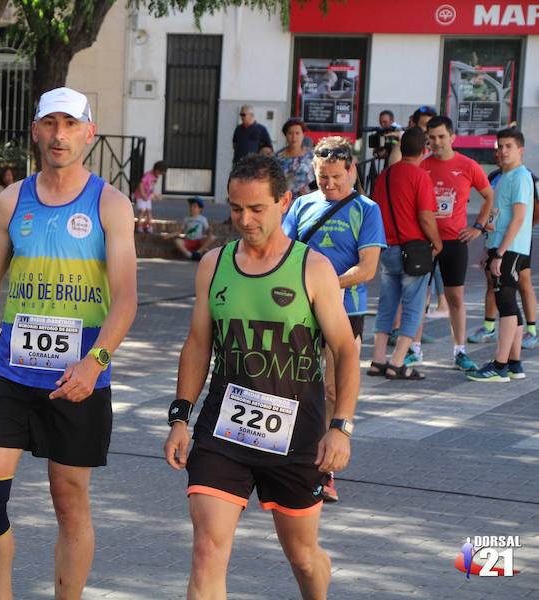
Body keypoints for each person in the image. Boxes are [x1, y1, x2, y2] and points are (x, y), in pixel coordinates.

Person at [0, 87, 137, 599]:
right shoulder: (12, 201)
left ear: (88, 133)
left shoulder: (111, 204)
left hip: (77, 380)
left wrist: (95, 363)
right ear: (35, 129)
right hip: (11, 374)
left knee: (69, 501)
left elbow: (125, 301)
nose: (60, 134)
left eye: (71, 124)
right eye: (50, 123)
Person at [164, 154, 359, 600]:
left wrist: (341, 427)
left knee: (304, 558)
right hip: (223, 431)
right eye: (235, 209)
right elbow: (197, 344)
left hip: (296, 436)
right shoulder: (214, 264)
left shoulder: (312, 268)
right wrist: (180, 418)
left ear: (284, 202)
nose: (244, 220)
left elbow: (345, 350)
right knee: (206, 552)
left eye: (256, 209)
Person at [282, 136, 385, 502]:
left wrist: (325, 285)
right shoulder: (301, 206)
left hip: (346, 310)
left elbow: (368, 268)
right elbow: (284, 253)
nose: (330, 185)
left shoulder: (367, 209)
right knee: (294, 385)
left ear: (352, 170)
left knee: (332, 390)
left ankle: (324, 471)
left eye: (337, 178)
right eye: (323, 178)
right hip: (300, 310)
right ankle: (291, 459)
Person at [406, 116, 494, 371]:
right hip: (425, 242)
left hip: (454, 241)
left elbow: (488, 195)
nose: (436, 142)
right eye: (431, 138)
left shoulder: (467, 165)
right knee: (419, 297)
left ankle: (459, 351)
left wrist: (477, 227)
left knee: (455, 298)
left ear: (452, 137)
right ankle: (414, 349)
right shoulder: (422, 167)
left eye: (441, 137)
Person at [368, 127, 442, 380]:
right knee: (413, 306)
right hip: (414, 250)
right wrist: (437, 242)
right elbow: (426, 216)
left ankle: (378, 359)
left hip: (387, 248)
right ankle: (397, 362)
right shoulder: (420, 176)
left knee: (387, 304)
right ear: (424, 150)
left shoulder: (385, 175)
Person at [468, 128, 534, 382]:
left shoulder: (520, 177)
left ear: (520, 150)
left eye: (508, 146)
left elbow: (518, 219)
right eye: (500, 147)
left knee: (505, 304)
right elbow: (501, 216)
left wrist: (501, 253)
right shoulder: (504, 177)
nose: (503, 151)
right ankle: (515, 363)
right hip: (500, 247)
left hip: (511, 249)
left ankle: (500, 365)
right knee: (509, 304)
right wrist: (491, 247)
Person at [162, 196, 216, 260]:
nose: (191, 208)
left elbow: (207, 231)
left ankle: (198, 252)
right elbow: (180, 231)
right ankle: (189, 254)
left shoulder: (203, 219)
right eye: (190, 206)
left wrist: (210, 231)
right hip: (188, 242)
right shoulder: (187, 219)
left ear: (200, 209)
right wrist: (169, 235)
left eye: (194, 206)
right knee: (177, 240)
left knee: (212, 237)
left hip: (198, 242)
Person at [275, 118, 315, 200]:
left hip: (307, 201)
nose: (294, 137)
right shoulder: (277, 158)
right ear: (285, 135)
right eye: (290, 133)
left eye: (297, 133)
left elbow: (320, 179)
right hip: (283, 203)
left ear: (303, 135)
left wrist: (312, 191)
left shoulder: (312, 156)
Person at [134, 160, 166, 233]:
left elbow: (151, 187)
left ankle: (148, 225)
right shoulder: (148, 175)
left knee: (148, 211)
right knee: (142, 211)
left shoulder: (155, 177)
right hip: (140, 196)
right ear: (157, 170)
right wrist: (143, 194)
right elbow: (141, 184)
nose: (160, 175)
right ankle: (139, 225)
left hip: (147, 197)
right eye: (160, 173)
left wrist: (154, 195)